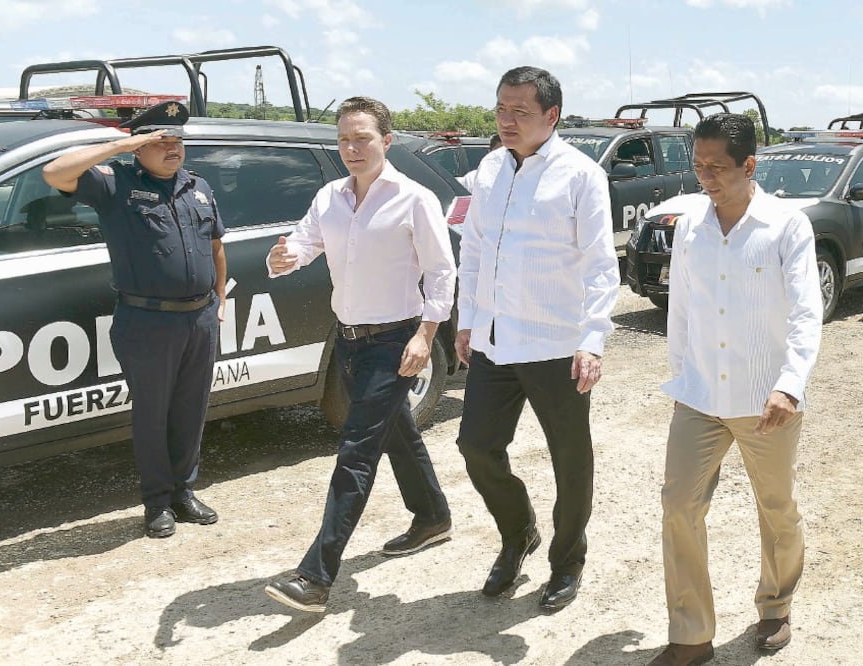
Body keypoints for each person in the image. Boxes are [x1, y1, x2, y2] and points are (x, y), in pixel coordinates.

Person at [262, 96, 456, 613]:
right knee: (399, 433)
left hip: (395, 342)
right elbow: (303, 244)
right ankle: (433, 516)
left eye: (362, 138)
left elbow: (441, 271)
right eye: (344, 138)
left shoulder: (414, 198)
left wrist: (425, 333)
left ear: (386, 141)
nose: (351, 147)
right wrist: (282, 258)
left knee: (356, 453)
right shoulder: (330, 196)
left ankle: (316, 575)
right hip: (348, 341)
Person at [646, 113, 823, 666]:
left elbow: (805, 313)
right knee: (678, 505)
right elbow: (680, 311)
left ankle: (776, 603)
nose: (706, 177)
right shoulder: (691, 226)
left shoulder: (786, 226)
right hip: (700, 396)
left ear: (750, 165)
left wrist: (789, 385)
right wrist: (681, 377)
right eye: (698, 165)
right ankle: (692, 635)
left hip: (765, 400)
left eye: (717, 167)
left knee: (775, 508)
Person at [455, 66, 620, 611]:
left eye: (519, 111)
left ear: (551, 116)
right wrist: (469, 320)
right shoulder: (488, 169)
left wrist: (593, 339)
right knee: (476, 447)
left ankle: (567, 560)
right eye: (501, 109)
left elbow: (601, 265)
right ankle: (518, 531)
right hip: (497, 340)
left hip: (558, 344)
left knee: (570, 460)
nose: (506, 120)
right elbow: (475, 249)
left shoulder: (580, 175)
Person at [42, 101, 227, 539]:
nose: (172, 149)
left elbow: (216, 245)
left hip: (199, 318)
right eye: (160, 141)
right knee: (153, 414)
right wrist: (121, 144)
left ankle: (184, 492)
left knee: (189, 410)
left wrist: (219, 300)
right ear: (137, 147)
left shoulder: (199, 188)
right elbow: (55, 173)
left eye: (176, 140)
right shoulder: (116, 185)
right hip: (147, 321)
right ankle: (157, 503)